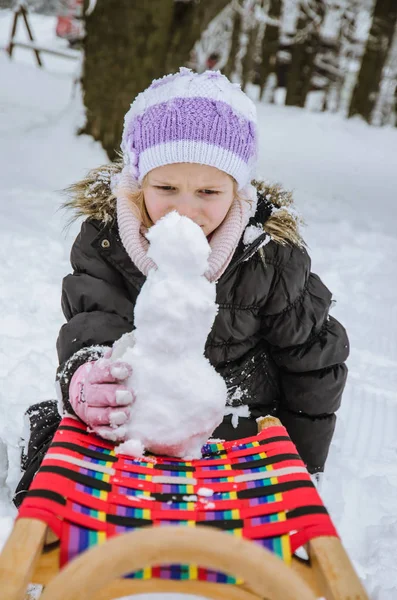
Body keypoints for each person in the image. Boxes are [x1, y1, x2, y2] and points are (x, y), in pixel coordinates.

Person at [14, 68, 349, 506]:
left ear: (238, 192)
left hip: (235, 418)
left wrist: (302, 468)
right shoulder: (107, 242)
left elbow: (314, 363)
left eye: (208, 191)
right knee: (60, 458)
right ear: (138, 182)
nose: (186, 209)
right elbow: (93, 321)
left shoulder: (269, 258)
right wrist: (88, 374)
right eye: (166, 187)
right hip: (135, 415)